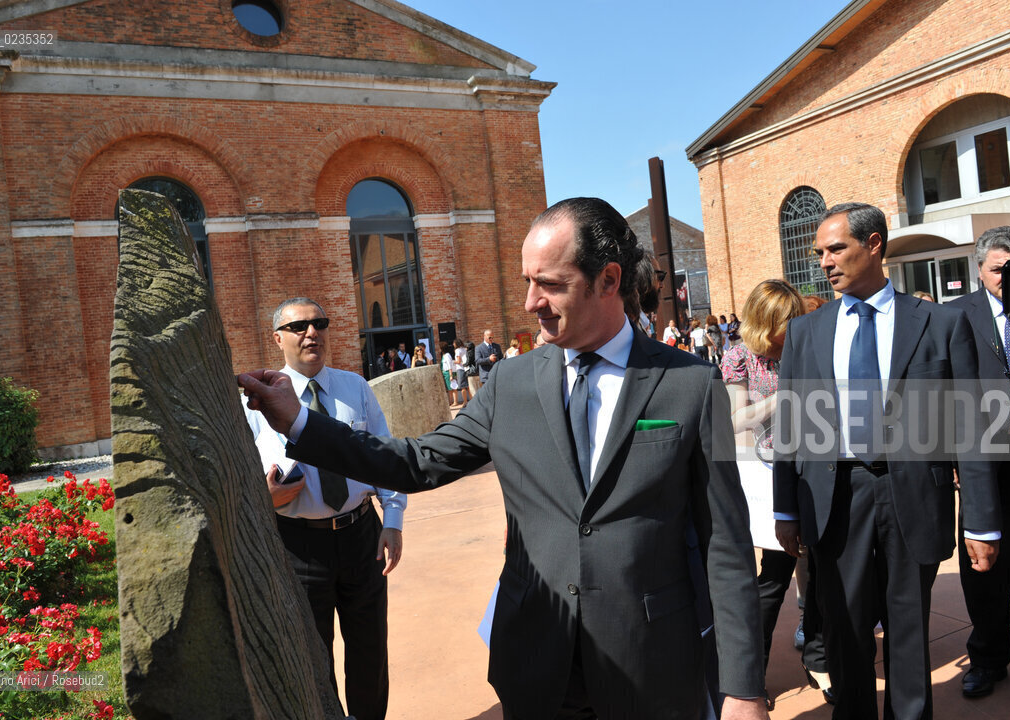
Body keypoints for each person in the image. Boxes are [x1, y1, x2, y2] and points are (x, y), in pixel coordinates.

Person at [240, 197, 768, 720]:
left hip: (652, 664)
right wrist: (300, 424)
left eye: (551, 284)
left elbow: (725, 543)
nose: (530, 303)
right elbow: (416, 461)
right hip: (537, 662)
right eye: (527, 282)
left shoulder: (692, 385)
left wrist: (743, 688)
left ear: (609, 280)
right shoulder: (509, 383)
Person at [773, 203, 1000, 720]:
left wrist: (983, 523)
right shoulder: (807, 332)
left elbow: (970, 428)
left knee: (907, 626)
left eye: (836, 249)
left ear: (874, 244)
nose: (824, 263)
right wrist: (786, 510)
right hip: (836, 496)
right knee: (844, 626)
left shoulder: (940, 323)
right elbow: (791, 426)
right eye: (818, 254)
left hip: (913, 493)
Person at [243, 297, 406, 720]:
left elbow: (383, 457)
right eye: (298, 327)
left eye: (319, 323)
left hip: (361, 538)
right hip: (298, 547)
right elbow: (244, 484)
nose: (311, 333)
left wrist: (393, 520)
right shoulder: (256, 405)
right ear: (277, 338)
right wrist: (264, 496)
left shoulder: (356, 388)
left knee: (370, 653)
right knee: (314, 658)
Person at [720, 279, 831, 710]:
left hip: (819, 468)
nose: (792, 332)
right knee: (773, 577)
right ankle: (750, 677)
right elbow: (733, 421)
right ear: (765, 323)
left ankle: (819, 658)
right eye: (785, 324)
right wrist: (782, 400)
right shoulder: (739, 357)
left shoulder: (807, 348)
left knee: (821, 568)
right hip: (770, 473)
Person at [950, 226, 1010, 698]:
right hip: (988, 462)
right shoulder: (956, 315)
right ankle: (987, 657)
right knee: (986, 566)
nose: (1009, 276)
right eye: (999, 268)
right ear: (980, 269)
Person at [441, 342, 461, 407]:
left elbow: (449, 366)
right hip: (445, 373)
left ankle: (455, 402)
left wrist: (451, 375)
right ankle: (450, 401)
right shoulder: (444, 355)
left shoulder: (447, 355)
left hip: (449, 373)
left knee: (453, 387)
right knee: (449, 389)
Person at [452, 339, 472, 407]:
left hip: (460, 369)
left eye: (454, 343)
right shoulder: (464, 349)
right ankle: (472, 399)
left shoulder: (457, 350)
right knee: (468, 386)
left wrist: (452, 362)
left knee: (462, 386)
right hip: (466, 368)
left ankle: (465, 401)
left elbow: (458, 361)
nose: (453, 344)